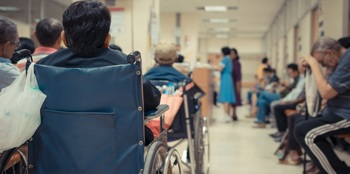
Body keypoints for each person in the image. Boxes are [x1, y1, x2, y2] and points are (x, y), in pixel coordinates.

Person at [36, 0, 160, 145]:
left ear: (64, 39)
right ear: (107, 39)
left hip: (58, 148)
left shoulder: (44, 67)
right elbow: (152, 99)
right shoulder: (127, 66)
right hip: (117, 150)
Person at [295, 37, 350, 174]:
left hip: (345, 116)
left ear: (329, 53)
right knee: (300, 123)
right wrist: (312, 66)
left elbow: (326, 92)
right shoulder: (339, 63)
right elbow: (325, 89)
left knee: (307, 134)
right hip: (335, 113)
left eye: (321, 62)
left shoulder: (348, 59)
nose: (322, 66)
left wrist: (314, 64)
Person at [0, 18, 20, 91]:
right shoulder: (6, 71)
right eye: (16, 44)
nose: (15, 48)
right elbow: (32, 87)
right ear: (7, 46)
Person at [218, 47, 236, 122]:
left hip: (225, 78)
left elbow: (220, 69)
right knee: (228, 97)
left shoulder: (225, 59)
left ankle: (225, 115)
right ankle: (227, 115)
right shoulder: (229, 59)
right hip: (228, 78)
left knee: (225, 97)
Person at [230, 48, 241, 121]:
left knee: (235, 99)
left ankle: (234, 114)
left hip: (235, 83)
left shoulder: (236, 63)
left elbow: (238, 75)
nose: (231, 55)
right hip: (231, 82)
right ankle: (233, 114)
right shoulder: (231, 62)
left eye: (233, 53)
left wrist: (238, 85)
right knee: (232, 99)